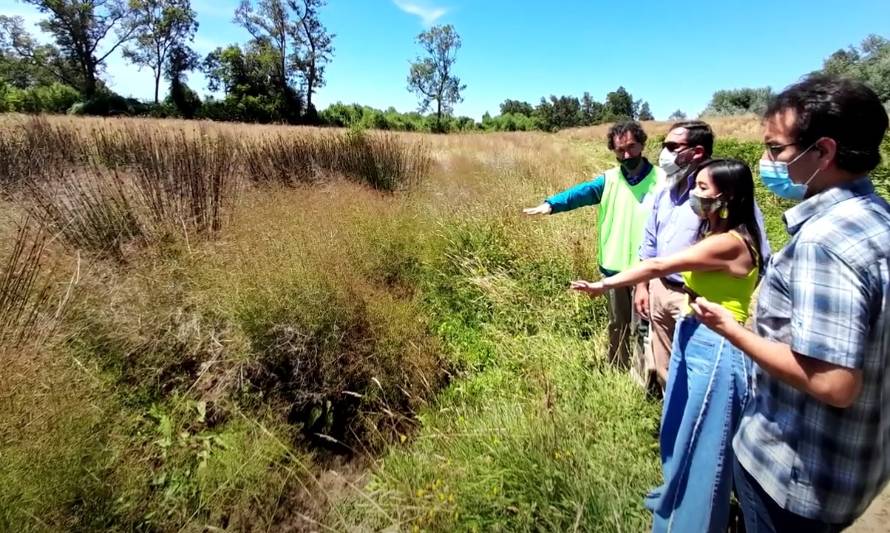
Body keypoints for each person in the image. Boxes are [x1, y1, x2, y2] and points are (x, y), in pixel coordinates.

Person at [693, 75, 890, 532]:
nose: (765, 162)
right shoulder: (875, 218)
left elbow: (834, 383)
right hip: (852, 463)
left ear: (823, 151)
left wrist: (731, 329)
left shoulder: (826, 242)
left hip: (794, 471)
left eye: (777, 150)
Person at [572, 159, 765, 532]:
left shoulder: (729, 243)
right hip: (694, 333)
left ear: (728, 195)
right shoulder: (714, 232)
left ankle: (693, 523)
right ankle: (676, 499)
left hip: (718, 346)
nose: (694, 194)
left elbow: (659, 263)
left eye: (704, 189)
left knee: (703, 446)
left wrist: (603, 286)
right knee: (678, 427)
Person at [635, 121, 771, 391]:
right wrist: (643, 285)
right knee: (666, 365)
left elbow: (759, 255)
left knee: (700, 374)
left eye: (672, 147)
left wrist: (729, 297)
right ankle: (669, 411)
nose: (664, 152)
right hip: (659, 288)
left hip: (697, 298)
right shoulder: (665, 192)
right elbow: (650, 242)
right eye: (664, 145)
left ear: (696, 152)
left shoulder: (723, 199)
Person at [524, 121, 665, 366]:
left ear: (643, 144)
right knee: (617, 323)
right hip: (614, 268)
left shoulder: (663, 180)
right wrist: (552, 204)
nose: (626, 154)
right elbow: (582, 193)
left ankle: (646, 375)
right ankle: (618, 368)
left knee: (645, 326)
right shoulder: (609, 180)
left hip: (649, 271)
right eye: (620, 150)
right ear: (613, 150)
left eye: (631, 147)